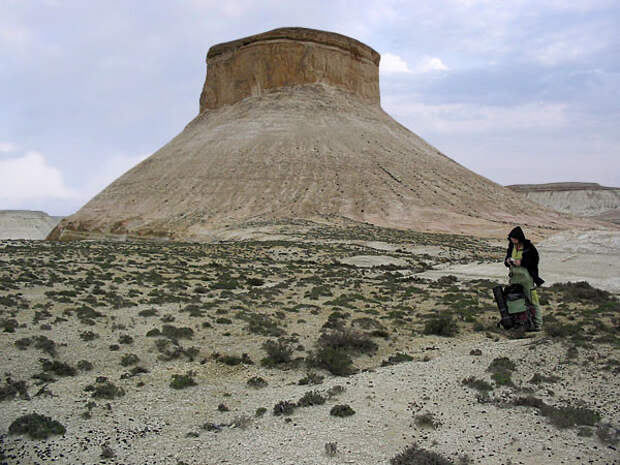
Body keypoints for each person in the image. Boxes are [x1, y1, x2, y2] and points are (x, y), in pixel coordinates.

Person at [504, 226, 544, 331]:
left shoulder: (529, 247)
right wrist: (508, 261)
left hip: (527, 278)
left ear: (519, 238)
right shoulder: (511, 246)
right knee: (515, 299)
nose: (513, 240)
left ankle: (537, 324)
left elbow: (534, 261)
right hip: (514, 278)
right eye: (511, 239)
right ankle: (518, 322)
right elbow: (506, 260)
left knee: (532, 300)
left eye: (514, 238)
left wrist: (521, 262)